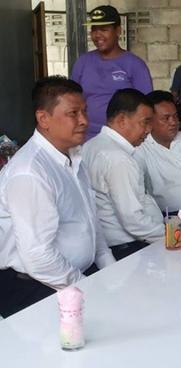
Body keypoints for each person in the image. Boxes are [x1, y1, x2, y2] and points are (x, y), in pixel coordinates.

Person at [0, 76, 115, 318]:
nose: (84, 120)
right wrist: (87, 288)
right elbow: (38, 256)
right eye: (73, 113)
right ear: (43, 118)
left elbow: (91, 223)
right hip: (36, 287)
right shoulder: (30, 171)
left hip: (75, 279)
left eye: (84, 111)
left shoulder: (74, 158)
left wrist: (111, 273)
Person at [82, 89, 164, 261]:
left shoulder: (91, 145)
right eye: (145, 122)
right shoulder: (119, 159)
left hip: (110, 246)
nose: (149, 129)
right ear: (122, 120)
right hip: (129, 248)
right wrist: (173, 235)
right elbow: (133, 220)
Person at [72, 5, 153, 139]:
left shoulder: (135, 65)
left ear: (118, 31)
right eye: (94, 30)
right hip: (86, 137)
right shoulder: (83, 62)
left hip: (121, 139)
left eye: (104, 29)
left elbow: (146, 106)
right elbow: (72, 100)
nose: (97, 35)